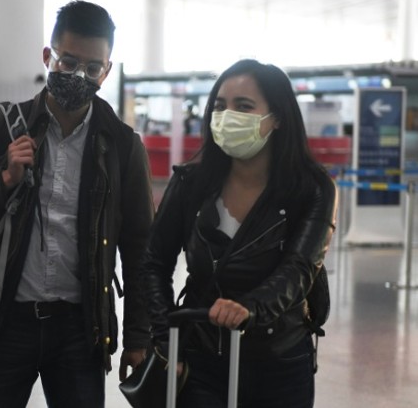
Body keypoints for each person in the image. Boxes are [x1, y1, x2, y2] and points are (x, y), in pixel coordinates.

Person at [0, 0, 154, 408]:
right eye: (68, 62)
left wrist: (138, 336)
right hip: (5, 319)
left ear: (107, 71)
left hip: (81, 330)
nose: (79, 76)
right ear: (48, 57)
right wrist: (3, 179)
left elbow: (139, 249)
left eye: (92, 68)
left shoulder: (122, 146)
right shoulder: (3, 123)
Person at [139, 59, 337, 408]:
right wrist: (165, 340)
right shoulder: (190, 184)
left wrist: (247, 308)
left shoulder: (311, 189)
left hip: (281, 360)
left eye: (244, 107)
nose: (227, 115)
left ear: (276, 118)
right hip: (201, 356)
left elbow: (299, 270)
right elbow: (154, 262)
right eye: (220, 106)